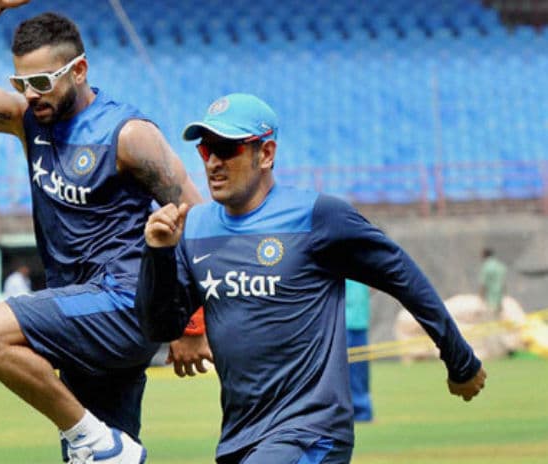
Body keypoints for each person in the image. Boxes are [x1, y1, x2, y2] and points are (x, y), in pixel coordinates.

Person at [135, 93, 487, 464]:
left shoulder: (317, 217)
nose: (214, 163)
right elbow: (161, 327)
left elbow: (404, 279)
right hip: (240, 436)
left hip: (312, 433)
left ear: (266, 154)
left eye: (227, 149)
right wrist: (158, 255)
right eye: (207, 151)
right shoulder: (195, 228)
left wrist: (460, 360)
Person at [0, 1, 212, 463]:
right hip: (77, 310)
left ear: (78, 70)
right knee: (106, 457)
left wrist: (191, 322)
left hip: (125, 303)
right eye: (21, 84)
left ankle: (93, 439)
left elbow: (196, 221)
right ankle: (101, 444)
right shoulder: (29, 120)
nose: (31, 94)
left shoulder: (127, 134)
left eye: (42, 82)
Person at [345, 279, 373, 422]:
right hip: (343, 323)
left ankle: (363, 412)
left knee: (361, 371)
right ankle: (351, 411)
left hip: (360, 323)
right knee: (346, 370)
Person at [479, 248, 507, 314]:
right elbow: (503, 282)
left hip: (490, 296)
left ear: (485, 255)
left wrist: (481, 295)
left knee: (490, 314)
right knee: (498, 313)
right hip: (499, 295)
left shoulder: (486, 266)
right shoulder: (499, 265)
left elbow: (483, 283)